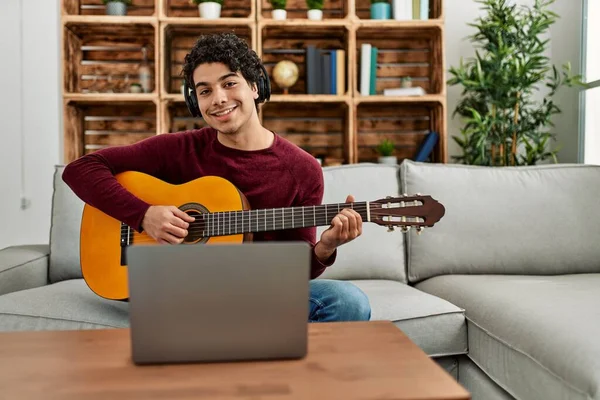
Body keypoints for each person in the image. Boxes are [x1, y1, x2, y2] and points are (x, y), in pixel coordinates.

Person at [62, 32, 371, 323]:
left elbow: (295, 269)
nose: (219, 99)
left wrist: (325, 248)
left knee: (347, 302)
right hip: (184, 290)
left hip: (253, 293)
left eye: (229, 83)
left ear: (254, 86)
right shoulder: (179, 148)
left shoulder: (302, 169)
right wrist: (144, 216)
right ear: (196, 101)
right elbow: (80, 170)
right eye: (205, 91)